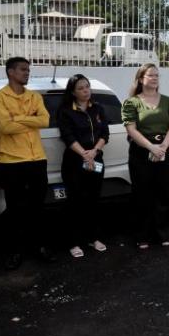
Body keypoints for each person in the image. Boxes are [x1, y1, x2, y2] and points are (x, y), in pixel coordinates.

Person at [0, 57, 52, 270]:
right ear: (10, 72)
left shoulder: (34, 96)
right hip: (11, 161)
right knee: (14, 209)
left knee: (37, 207)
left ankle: (39, 246)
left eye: (28, 70)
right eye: (23, 70)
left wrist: (17, 118)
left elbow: (45, 120)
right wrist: (29, 119)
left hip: (37, 160)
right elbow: (5, 127)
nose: (27, 73)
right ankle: (15, 251)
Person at [122, 64, 169, 249]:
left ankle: (162, 234)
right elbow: (131, 129)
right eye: (150, 75)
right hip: (141, 153)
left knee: (163, 193)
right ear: (141, 79)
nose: (155, 78)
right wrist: (151, 148)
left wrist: (162, 147)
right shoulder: (131, 103)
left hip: (164, 150)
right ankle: (142, 235)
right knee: (142, 194)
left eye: (157, 75)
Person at [56, 74, 109, 258]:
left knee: (93, 200)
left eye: (87, 86)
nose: (85, 90)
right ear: (73, 92)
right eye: (80, 88)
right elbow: (68, 136)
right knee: (75, 202)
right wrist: (85, 155)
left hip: (96, 159)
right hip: (74, 162)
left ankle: (93, 238)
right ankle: (73, 242)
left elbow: (105, 134)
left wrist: (94, 152)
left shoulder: (98, 108)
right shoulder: (65, 111)